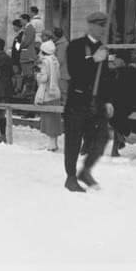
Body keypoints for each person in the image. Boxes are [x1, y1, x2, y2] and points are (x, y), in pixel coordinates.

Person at [63, 12, 115, 192]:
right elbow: (75, 73)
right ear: (91, 26)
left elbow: (106, 77)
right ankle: (70, 177)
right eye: (100, 26)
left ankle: (85, 171)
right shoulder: (76, 46)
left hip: (97, 102)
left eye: (104, 26)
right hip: (78, 102)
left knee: (102, 138)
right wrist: (93, 60)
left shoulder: (102, 48)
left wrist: (108, 100)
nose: (103, 30)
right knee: (73, 141)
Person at [35, 40, 63, 152]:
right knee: (55, 119)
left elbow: (44, 78)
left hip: (47, 93)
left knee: (48, 119)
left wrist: (37, 74)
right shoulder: (55, 61)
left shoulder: (44, 62)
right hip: (55, 92)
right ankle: (54, 143)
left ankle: (51, 145)